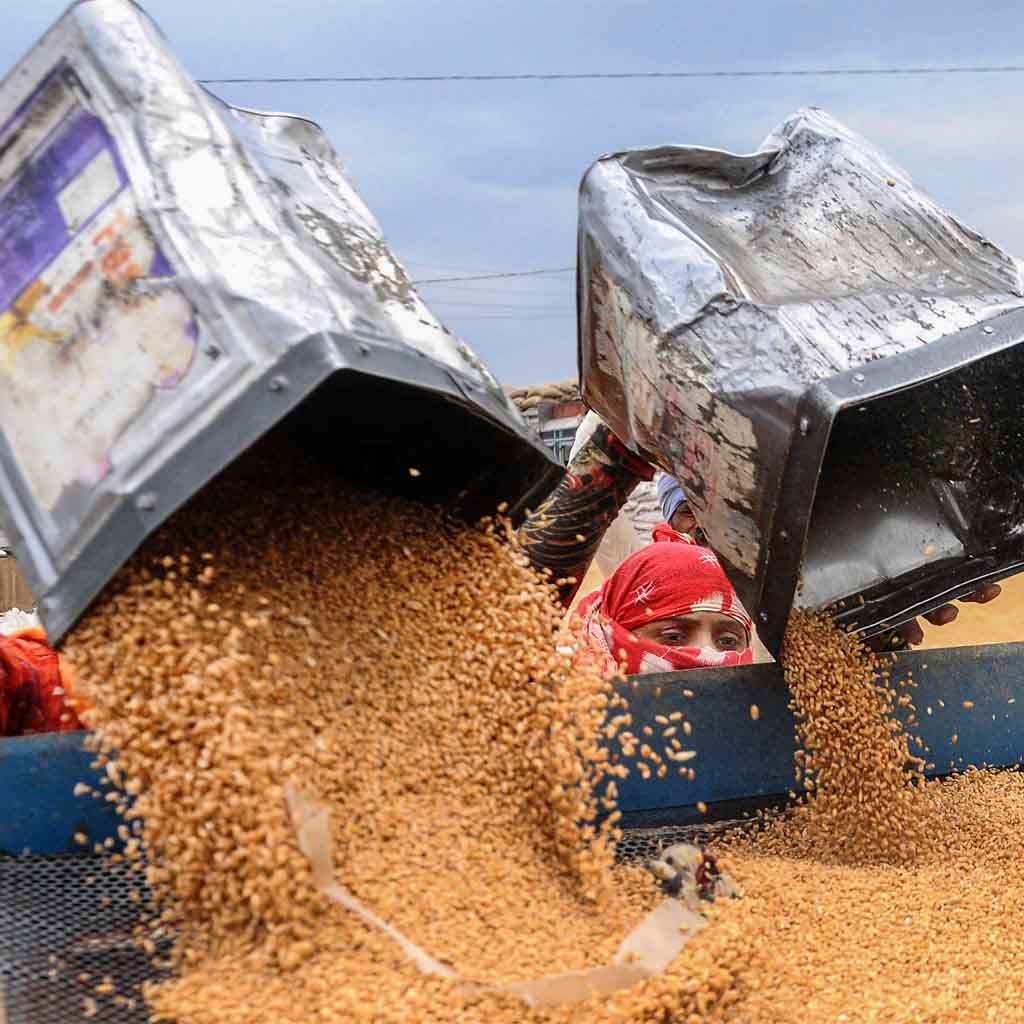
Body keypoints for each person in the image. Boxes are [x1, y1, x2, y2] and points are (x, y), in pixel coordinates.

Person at [575, 540, 752, 675]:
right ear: (609, 635)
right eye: (673, 637)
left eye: (728, 641)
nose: (706, 654)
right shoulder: (560, 712)